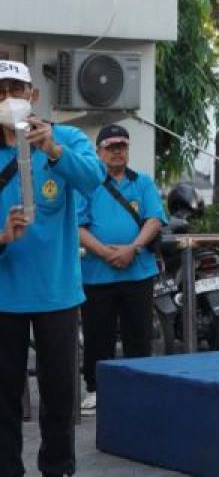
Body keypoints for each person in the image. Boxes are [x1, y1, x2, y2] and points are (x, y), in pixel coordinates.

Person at [0, 60, 104, 477]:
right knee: (3, 397)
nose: (9, 99)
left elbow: (94, 179)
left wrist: (52, 150)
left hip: (57, 293)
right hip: (5, 298)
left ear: (34, 96)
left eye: (17, 89)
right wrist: (3, 235)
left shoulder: (67, 138)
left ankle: (58, 470)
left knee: (60, 395)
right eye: (1, 90)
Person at [77, 124, 166, 415]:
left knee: (139, 334)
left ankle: (138, 386)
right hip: (96, 273)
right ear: (99, 151)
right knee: (96, 335)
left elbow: (154, 220)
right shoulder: (87, 184)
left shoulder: (142, 182)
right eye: (111, 147)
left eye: (122, 146)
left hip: (137, 270)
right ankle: (95, 389)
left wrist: (133, 249)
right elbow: (77, 226)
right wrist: (104, 252)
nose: (117, 152)